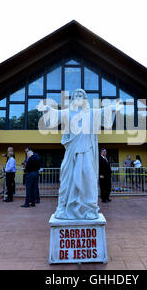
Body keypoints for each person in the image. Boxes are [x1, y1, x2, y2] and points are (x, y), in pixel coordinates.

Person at [38, 88, 122, 219]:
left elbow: (103, 112)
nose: (78, 96)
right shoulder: (68, 112)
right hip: (72, 151)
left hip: (87, 150)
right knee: (69, 178)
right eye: (76, 94)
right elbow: (56, 115)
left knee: (88, 177)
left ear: (84, 99)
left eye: (81, 95)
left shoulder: (91, 113)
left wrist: (112, 108)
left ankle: (88, 208)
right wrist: (47, 109)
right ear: (72, 98)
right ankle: (65, 206)